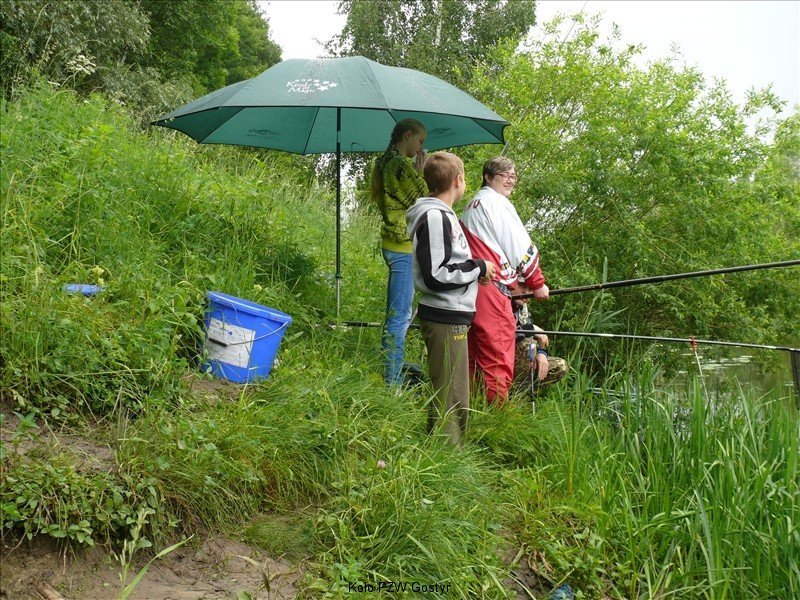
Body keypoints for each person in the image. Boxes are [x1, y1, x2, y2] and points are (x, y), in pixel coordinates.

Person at [406, 152, 495, 445]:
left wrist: (474, 272)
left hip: (453, 314)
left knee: (457, 392)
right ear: (458, 181)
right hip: (444, 315)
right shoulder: (435, 217)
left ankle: (451, 450)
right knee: (450, 393)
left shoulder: (444, 215)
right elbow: (436, 274)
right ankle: (446, 454)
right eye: (465, 178)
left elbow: (449, 264)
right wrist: (479, 267)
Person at [460, 156, 549, 405]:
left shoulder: (472, 204)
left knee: (473, 355)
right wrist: (537, 283)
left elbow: (489, 249)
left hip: (469, 288)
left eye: (513, 176)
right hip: (490, 289)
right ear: (488, 177)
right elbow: (518, 246)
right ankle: (497, 417)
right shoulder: (496, 203)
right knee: (496, 355)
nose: (510, 180)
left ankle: (471, 409)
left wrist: (514, 285)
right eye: (504, 175)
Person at [370, 118, 428, 387]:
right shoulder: (397, 165)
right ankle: (392, 382)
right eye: (420, 141)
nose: (421, 148)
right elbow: (424, 197)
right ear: (407, 135)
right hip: (402, 247)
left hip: (394, 244)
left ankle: (393, 372)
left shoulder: (386, 162)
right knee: (399, 317)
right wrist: (421, 171)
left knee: (399, 315)